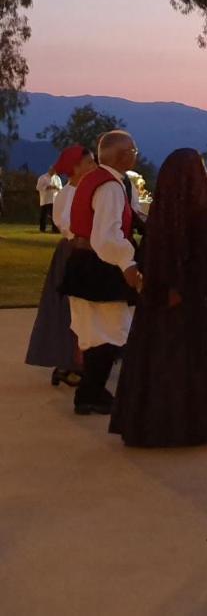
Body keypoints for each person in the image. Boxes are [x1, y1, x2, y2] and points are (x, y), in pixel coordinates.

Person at [109, 149, 207, 446]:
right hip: (188, 297)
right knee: (185, 363)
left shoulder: (160, 212)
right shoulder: (197, 214)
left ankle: (147, 424)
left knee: (156, 360)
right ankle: (182, 426)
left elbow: (150, 254)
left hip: (158, 297)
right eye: (201, 169)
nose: (205, 175)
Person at [59, 131, 141, 416]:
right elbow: (107, 236)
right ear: (122, 155)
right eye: (133, 151)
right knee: (114, 330)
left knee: (93, 331)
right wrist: (128, 264)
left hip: (81, 262)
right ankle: (91, 393)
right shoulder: (111, 187)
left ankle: (89, 394)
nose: (135, 155)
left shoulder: (90, 180)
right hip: (100, 265)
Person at [25, 145, 94, 387]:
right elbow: (65, 224)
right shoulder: (66, 194)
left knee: (87, 308)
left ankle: (83, 359)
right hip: (73, 251)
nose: (93, 167)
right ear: (75, 167)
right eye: (89, 163)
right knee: (69, 308)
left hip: (87, 250)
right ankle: (69, 361)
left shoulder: (90, 190)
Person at [36, 164, 62, 233]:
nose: (54, 172)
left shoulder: (57, 178)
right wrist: (46, 187)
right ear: (50, 170)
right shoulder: (42, 177)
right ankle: (42, 229)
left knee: (54, 215)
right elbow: (38, 187)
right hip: (45, 200)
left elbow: (61, 188)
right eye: (53, 170)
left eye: (55, 171)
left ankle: (55, 229)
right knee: (43, 215)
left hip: (54, 199)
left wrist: (56, 187)